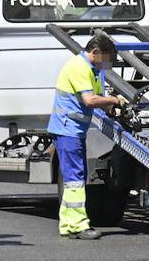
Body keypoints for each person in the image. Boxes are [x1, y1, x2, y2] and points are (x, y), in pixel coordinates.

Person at [47, 32, 127, 240]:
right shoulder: (79, 67)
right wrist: (115, 100)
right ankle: (80, 225)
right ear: (96, 52)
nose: (108, 65)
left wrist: (111, 107)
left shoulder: (93, 69)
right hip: (68, 130)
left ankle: (67, 224)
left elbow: (98, 98)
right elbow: (90, 100)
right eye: (107, 60)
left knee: (75, 178)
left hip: (73, 131)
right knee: (75, 180)